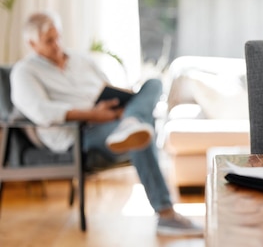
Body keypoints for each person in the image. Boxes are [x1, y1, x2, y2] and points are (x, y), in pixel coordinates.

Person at [10, 12, 203, 237]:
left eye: (58, 37)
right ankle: (166, 213)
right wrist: (92, 114)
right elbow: (41, 111)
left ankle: (130, 121)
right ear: (31, 44)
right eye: (49, 41)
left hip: (111, 119)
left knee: (154, 84)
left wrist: (122, 106)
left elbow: (107, 87)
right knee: (141, 132)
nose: (57, 45)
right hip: (79, 132)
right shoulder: (24, 72)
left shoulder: (81, 60)